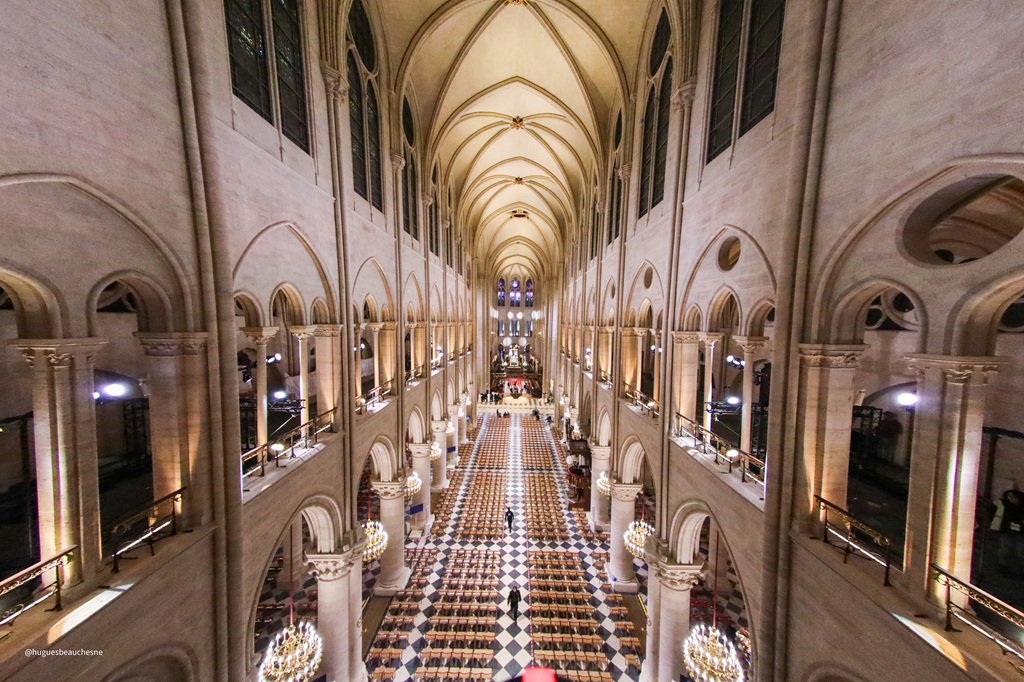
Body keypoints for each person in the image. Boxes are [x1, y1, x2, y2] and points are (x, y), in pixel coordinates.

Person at [991, 488, 1024, 574]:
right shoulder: (1003, 504)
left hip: (1021, 532)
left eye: (1013, 497)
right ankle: (1003, 566)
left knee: (1020, 551)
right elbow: (992, 509)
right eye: (1009, 496)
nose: (1011, 498)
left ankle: (1018, 568)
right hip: (1007, 530)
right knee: (1005, 548)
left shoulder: (1021, 506)